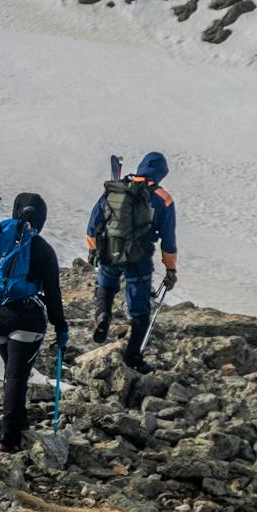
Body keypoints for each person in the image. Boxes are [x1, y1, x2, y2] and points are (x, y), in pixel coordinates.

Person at [0, 193, 69, 453]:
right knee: (16, 376)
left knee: (14, 371)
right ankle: (10, 439)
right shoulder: (42, 248)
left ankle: (19, 419)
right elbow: (53, 293)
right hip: (26, 320)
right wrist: (60, 327)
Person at [86, 152, 178, 373]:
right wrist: (170, 268)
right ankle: (133, 357)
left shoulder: (116, 188)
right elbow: (168, 239)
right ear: (160, 173)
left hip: (110, 248)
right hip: (139, 256)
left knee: (106, 286)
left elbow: (95, 220)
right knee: (140, 310)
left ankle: (102, 317)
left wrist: (93, 249)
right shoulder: (163, 199)